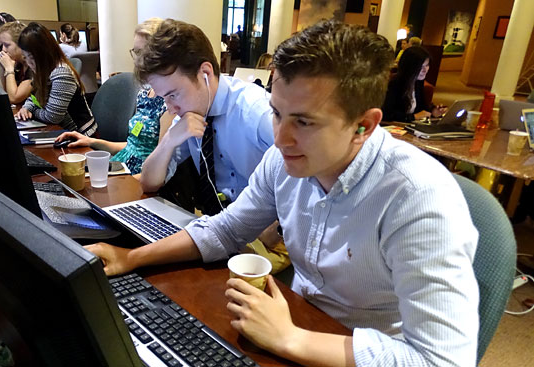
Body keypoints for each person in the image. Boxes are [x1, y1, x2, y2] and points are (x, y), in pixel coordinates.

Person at [86, 20, 479, 366]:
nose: (280, 138)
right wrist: (131, 257)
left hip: (352, 345)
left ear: (363, 125)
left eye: (304, 122)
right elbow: (224, 231)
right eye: (276, 113)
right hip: (294, 318)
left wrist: (292, 339)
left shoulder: (419, 197)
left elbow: (441, 358)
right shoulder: (284, 160)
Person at [136, 19, 289, 273]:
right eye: (165, 98)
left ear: (205, 73)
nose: (170, 107)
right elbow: (148, 182)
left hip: (262, 239)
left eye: (173, 94)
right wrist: (171, 139)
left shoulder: (256, 112)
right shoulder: (189, 113)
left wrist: (279, 225)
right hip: (220, 228)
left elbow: (309, 173)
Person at [54, 18, 174, 176]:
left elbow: (160, 173)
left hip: (139, 177)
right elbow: (133, 147)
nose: (136, 60)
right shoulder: (145, 93)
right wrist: (91, 141)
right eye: (135, 52)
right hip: (121, 166)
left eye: (141, 52)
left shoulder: (172, 104)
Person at [15, 22, 97, 136]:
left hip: (81, 135)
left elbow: (52, 117)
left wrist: (32, 111)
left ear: (43, 54)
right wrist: (26, 108)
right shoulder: (43, 70)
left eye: (31, 57)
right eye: (26, 57)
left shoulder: (61, 73)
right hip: (61, 130)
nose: (28, 63)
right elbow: (34, 98)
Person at [382, 46, 447, 122]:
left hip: (410, 126)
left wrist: (433, 111)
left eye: (427, 65)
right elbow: (386, 114)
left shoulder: (418, 82)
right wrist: (413, 117)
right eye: (421, 66)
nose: (425, 70)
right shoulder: (394, 84)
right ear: (409, 67)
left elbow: (422, 107)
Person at [0, 22, 32, 105]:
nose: (3, 50)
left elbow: (14, 98)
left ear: (20, 44)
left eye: (7, 45)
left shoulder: (32, 65)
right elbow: (0, 94)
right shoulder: (17, 62)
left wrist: (9, 69)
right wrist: (2, 67)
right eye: (2, 45)